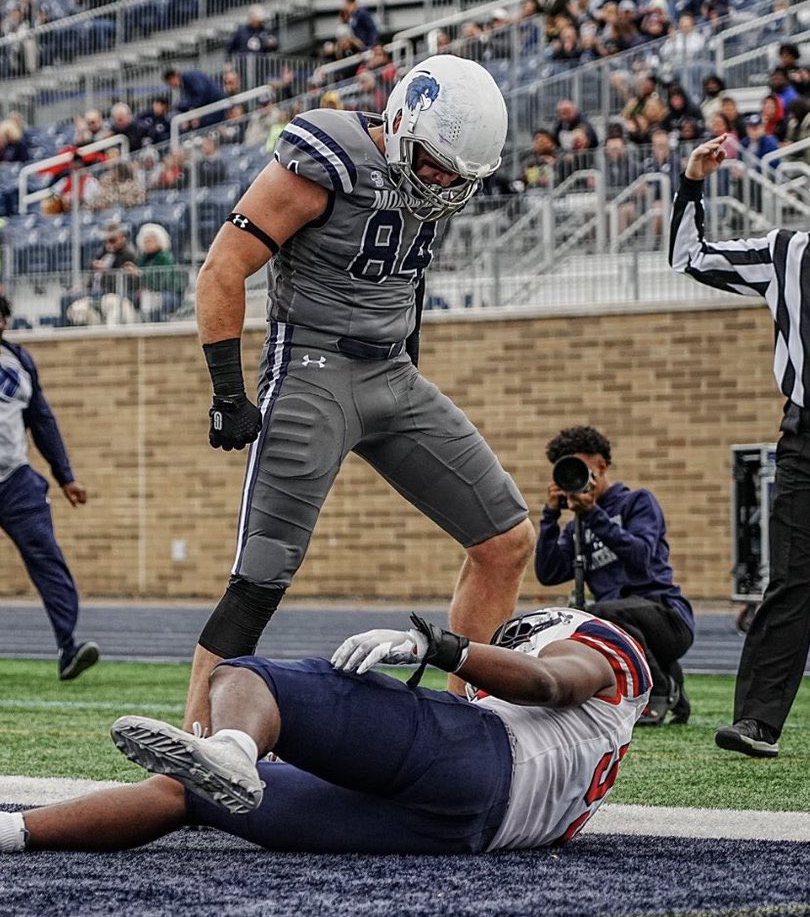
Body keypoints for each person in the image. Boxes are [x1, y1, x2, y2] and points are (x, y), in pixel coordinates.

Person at [185, 54, 535, 729]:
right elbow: (224, 265)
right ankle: (195, 743)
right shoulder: (330, 154)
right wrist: (228, 391)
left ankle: (461, 723)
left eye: (457, 174)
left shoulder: (435, 176)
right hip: (312, 371)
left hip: (392, 377)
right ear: (403, 118)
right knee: (261, 575)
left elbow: (410, 273)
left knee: (506, 541)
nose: (441, 180)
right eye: (435, 162)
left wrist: (411, 352)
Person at [0, 605, 651, 855]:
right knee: (188, 791)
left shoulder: (603, 646)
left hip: (477, 756)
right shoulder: (603, 742)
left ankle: (233, 746)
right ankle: (13, 832)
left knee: (245, 677)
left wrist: (442, 646)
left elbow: (548, 682)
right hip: (463, 832)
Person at [670, 132, 810, 758]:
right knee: (792, 580)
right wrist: (693, 182)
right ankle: (756, 722)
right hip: (806, 437)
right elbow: (689, 257)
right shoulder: (787, 253)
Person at [535, 425, 694, 725]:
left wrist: (595, 514)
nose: (575, 476)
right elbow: (548, 573)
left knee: (599, 614)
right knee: (581, 618)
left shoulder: (637, 502)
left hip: (667, 615)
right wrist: (550, 515)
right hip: (623, 623)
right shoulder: (576, 527)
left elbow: (641, 559)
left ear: (602, 465)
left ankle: (658, 690)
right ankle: (670, 681)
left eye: (580, 466)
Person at [0, 295, 98, 681]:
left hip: (15, 480)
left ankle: (68, 646)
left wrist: (66, 476)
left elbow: (42, 420)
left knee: (47, 558)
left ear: (4, 322)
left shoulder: (19, 363)